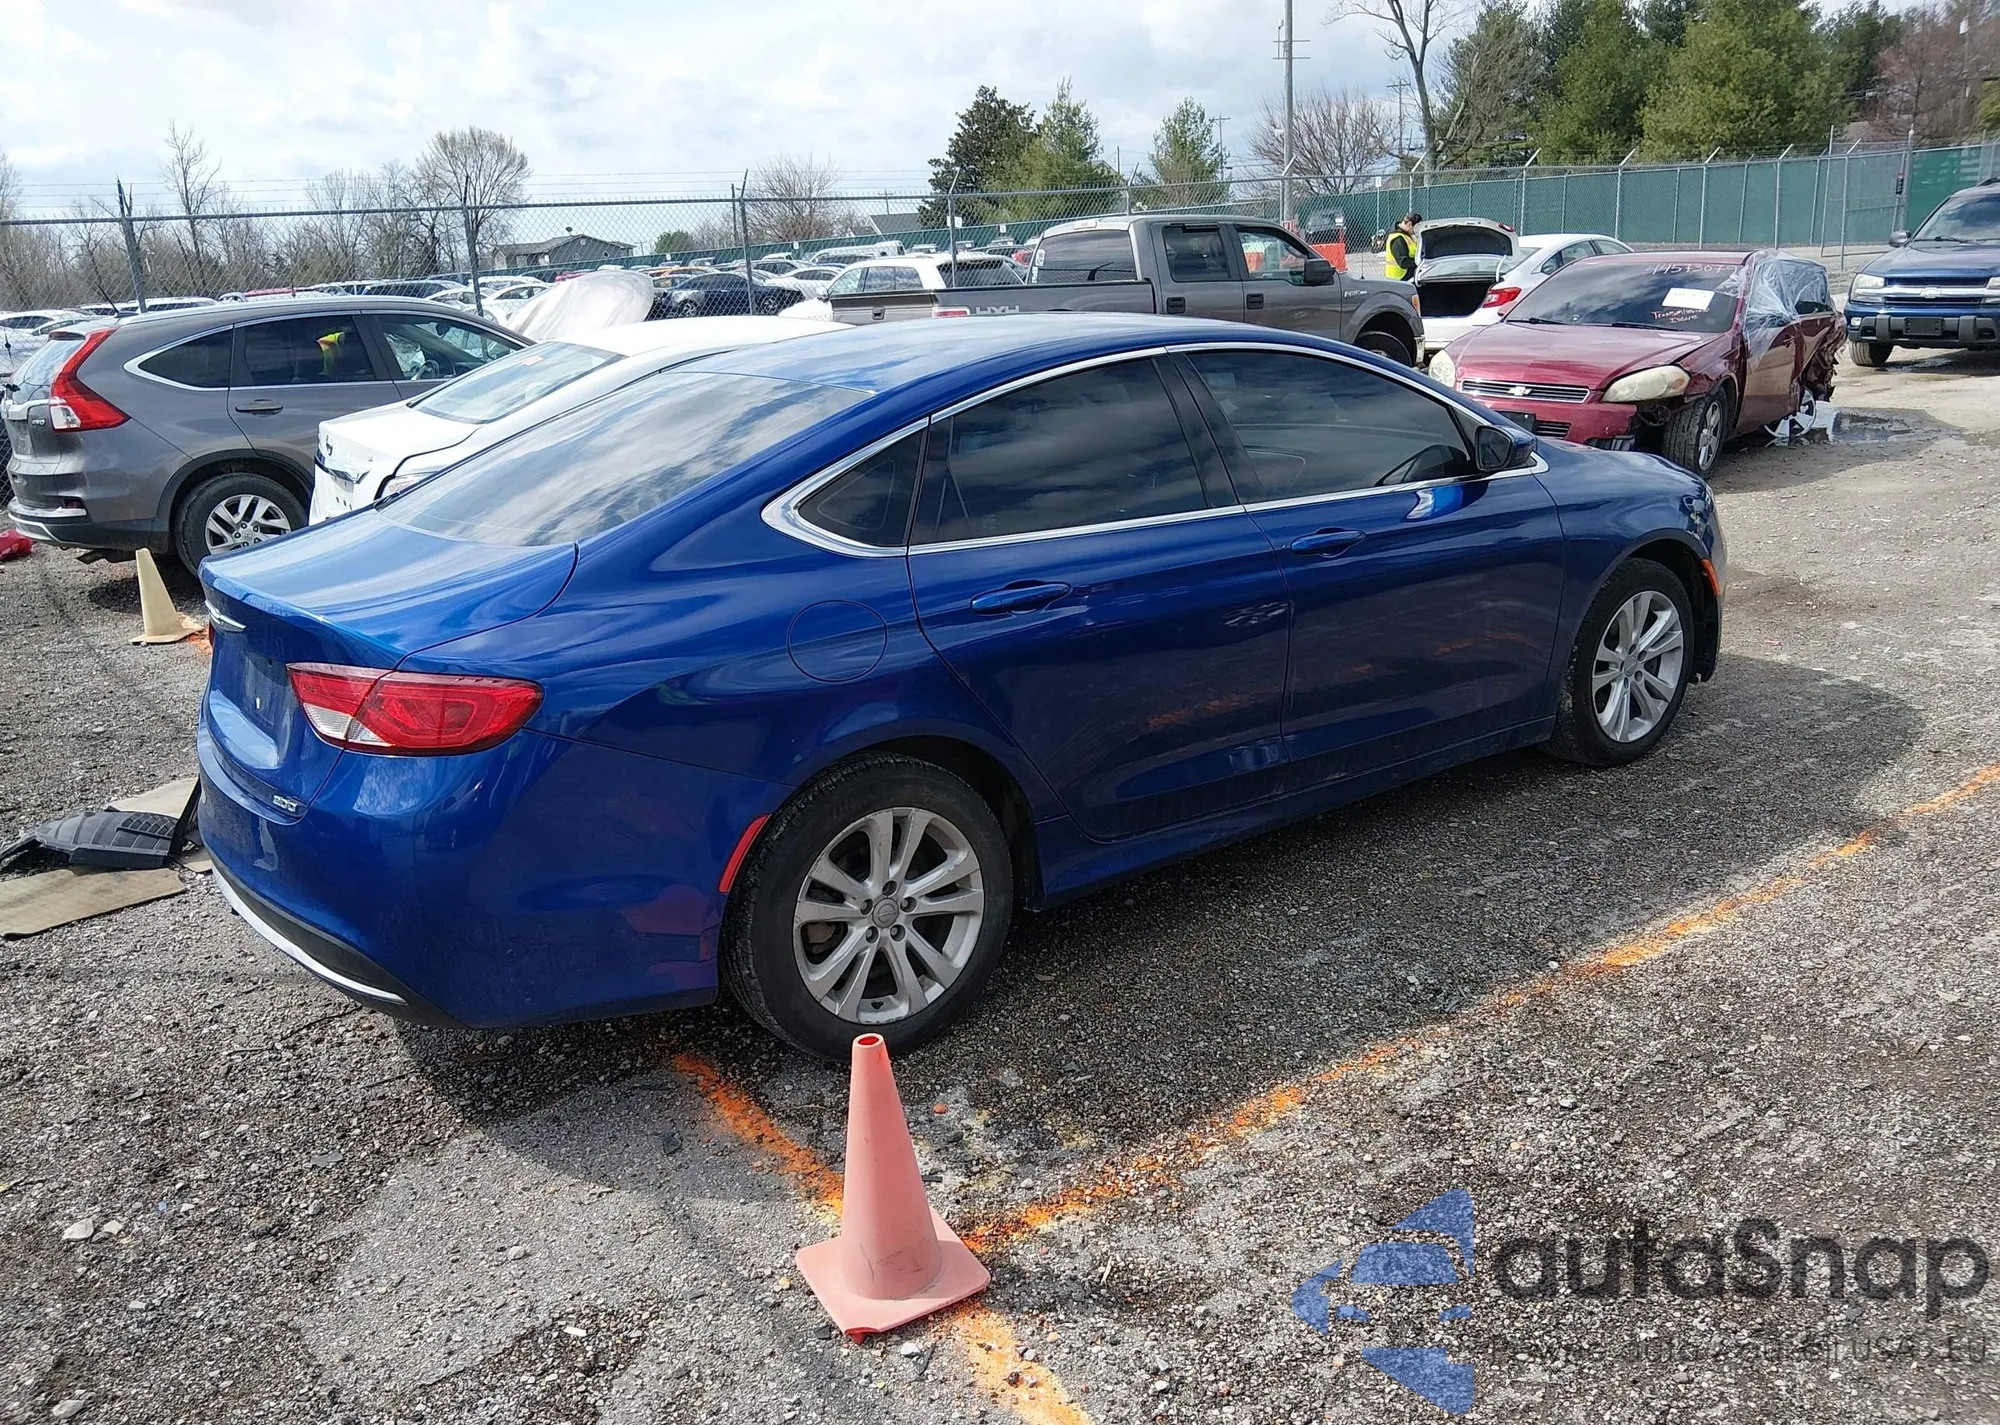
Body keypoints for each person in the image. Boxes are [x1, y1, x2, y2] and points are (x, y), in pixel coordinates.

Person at [1384, 212, 1422, 282]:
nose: (1416, 231)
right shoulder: (1397, 238)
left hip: (1403, 276)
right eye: (1416, 228)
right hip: (1399, 278)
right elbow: (1403, 262)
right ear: (1409, 224)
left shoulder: (1405, 234)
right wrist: (1419, 261)